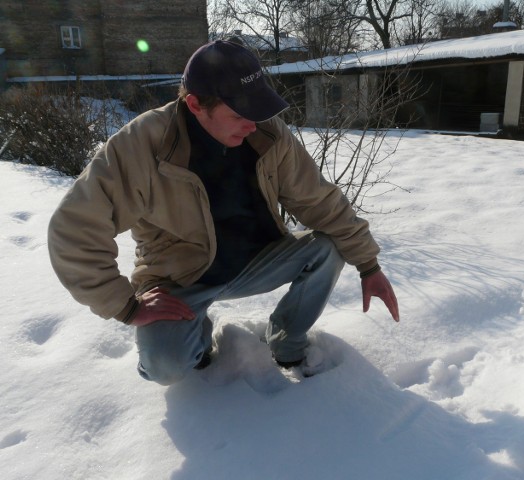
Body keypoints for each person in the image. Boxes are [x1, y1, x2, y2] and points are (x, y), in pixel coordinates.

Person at [48, 40, 399, 385]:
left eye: (257, 111)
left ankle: (287, 342)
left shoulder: (266, 132)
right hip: (181, 280)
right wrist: (126, 306)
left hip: (257, 261)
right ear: (196, 104)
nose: (251, 125)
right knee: (165, 368)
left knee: (329, 245)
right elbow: (74, 228)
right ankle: (195, 345)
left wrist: (369, 265)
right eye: (238, 115)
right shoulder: (142, 144)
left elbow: (319, 201)